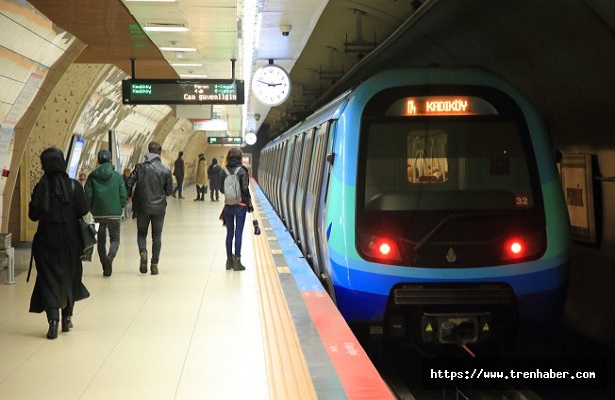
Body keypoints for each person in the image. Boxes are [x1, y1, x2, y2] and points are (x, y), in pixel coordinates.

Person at [28, 147, 90, 339]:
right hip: (71, 241)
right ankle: (67, 317)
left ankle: (53, 320)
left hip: (46, 241)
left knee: (48, 279)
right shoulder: (73, 186)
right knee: (70, 277)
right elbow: (83, 209)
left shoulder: (41, 187)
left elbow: (33, 215)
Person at [126, 141, 173, 275]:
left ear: (148, 151)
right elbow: (169, 191)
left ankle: (143, 253)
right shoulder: (165, 170)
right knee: (157, 236)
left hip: (141, 207)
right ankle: (154, 265)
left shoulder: (139, 167)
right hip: (159, 208)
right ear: (160, 153)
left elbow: (130, 182)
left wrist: (128, 195)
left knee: (142, 233)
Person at [84, 150, 128, 277]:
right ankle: (110, 257)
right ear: (110, 161)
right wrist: (121, 206)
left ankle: (105, 265)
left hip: (99, 214)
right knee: (115, 239)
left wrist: (92, 208)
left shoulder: (92, 176)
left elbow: (88, 195)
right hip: (114, 213)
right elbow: (123, 194)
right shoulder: (117, 176)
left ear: (97, 160)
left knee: (101, 241)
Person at [220, 147, 253, 271]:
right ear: (240, 157)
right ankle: (237, 262)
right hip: (241, 206)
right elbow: (245, 188)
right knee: (238, 233)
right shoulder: (242, 170)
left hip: (228, 206)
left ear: (228, 157)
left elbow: (222, 190)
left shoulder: (224, 171)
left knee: (229, 233)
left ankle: (229, 261)